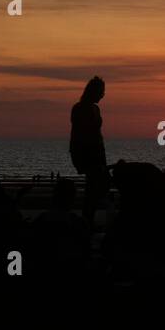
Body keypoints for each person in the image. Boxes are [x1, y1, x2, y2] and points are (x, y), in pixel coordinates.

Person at [69, 76, 109, 225]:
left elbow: (97, 134)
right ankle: (87, 220)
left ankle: (89, 219)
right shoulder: (80, 108)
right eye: (101, 91)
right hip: (88, 153)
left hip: (97, 152)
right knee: (93, 189)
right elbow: (81, 135)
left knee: (97, 188)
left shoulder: (95, 108)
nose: (102, 95)